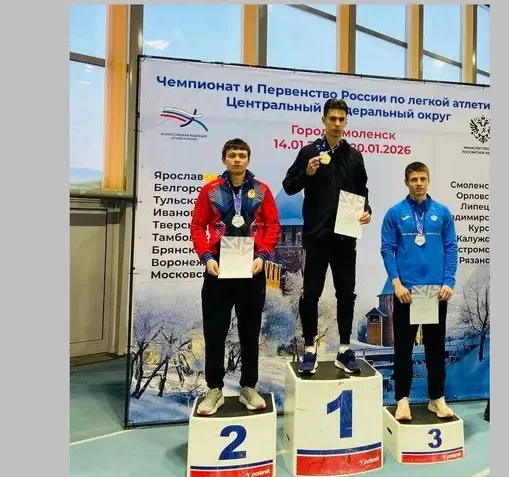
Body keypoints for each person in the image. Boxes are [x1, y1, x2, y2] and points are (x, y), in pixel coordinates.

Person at [190, 138, 281, 416]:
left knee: (250, 332)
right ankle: (214, 389)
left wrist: (262, 255)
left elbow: (272, 226)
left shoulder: (261, 191)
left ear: (248, 159)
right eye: (232, 155)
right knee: (215, 332)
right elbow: (197, 226)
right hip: (218, 269)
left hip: (251, 269)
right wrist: (206, 258)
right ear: (224, 159)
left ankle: (249, 387)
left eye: (242, 155)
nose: (237, 159)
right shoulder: (211, 191)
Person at [282, 98, 372, 375]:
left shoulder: (354, 156)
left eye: (341, 119)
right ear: (323, 120)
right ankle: (310, 349)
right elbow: (289, 186)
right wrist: (307, 173)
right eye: (332, 118)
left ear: (346, 122)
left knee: (346, 294)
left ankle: (344, 350)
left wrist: (367, 211)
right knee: (311, 294)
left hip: (345, 237)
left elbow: (362, 191)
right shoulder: (309, 152)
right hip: (317, 236)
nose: (336, 123)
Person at [379, 161, 459, 421]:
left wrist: (449, 282)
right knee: (403, 348)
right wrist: (396, 283)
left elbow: (451, 248)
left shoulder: (442, 213)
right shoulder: (395, 213)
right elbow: (387, 249)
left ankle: (437, 399)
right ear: (406, 182)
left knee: (435, 347)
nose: (418, 184)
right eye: (413, 179)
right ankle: (402, 400)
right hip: (407, 292)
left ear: (428, 180)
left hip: (436, 292)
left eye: (422, 179)